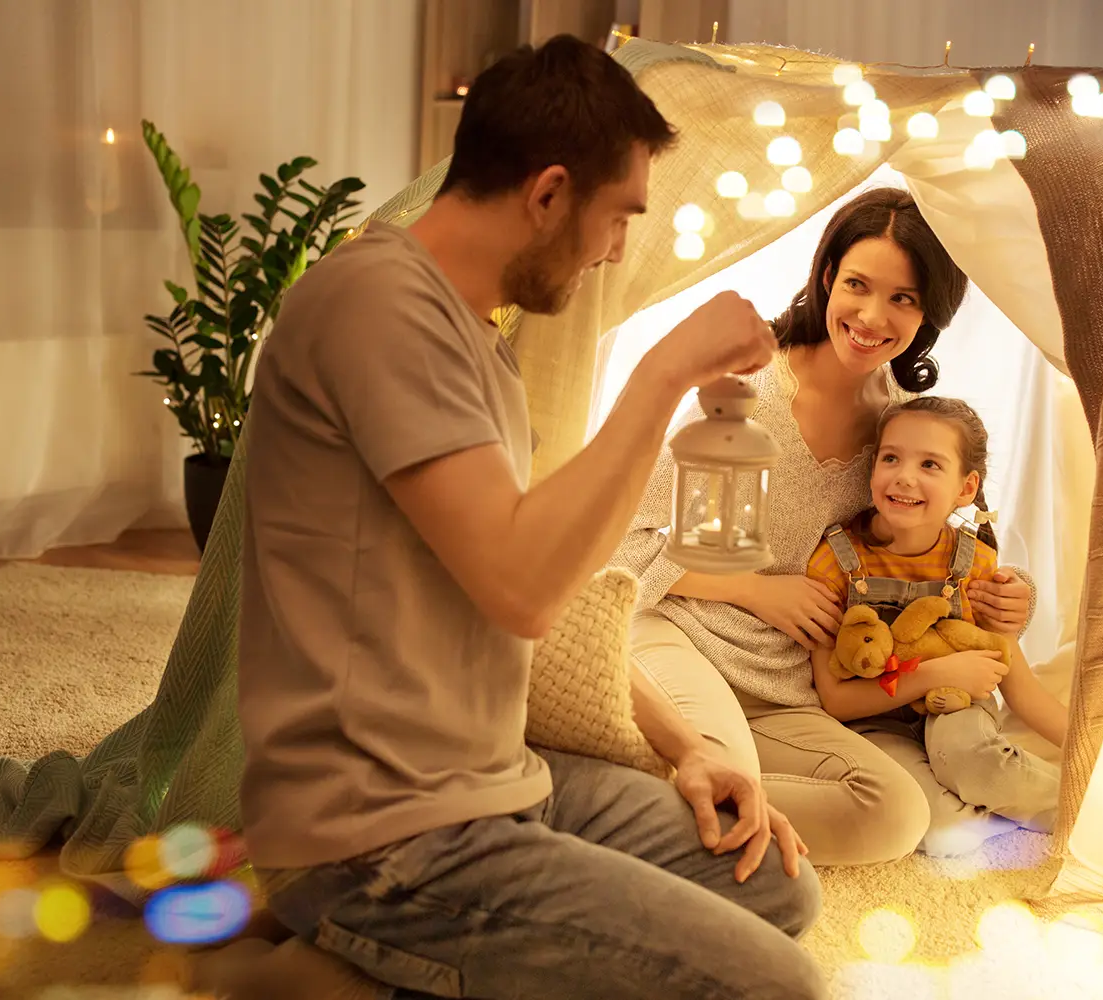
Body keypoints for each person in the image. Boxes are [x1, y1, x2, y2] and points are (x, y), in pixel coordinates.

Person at [222, 35, 828, 1000]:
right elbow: (521, 591)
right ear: (547, 194)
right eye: (619, 217)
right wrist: (662, 373)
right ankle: (328, 961)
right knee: (776, 986)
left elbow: (551, 587)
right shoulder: (378, 306)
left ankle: (366, 974)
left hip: (497, 778)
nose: (619, 250)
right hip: (381, 831)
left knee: (776, 888)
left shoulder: (479, 343)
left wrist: (691, 747)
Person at [611, 186, 1037, 867]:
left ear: (931, 312)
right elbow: (620, 546)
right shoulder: (746, 395)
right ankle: (668, 803)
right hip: (681, 638)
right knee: (730, 778)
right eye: (858, 285)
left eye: (903, 298)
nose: (872, 316)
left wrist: (1011, 598)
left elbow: (930, 547)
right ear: (827, 277)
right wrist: (754, 589)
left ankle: (657, 803)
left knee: (898, 814)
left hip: (784, 684)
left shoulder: (899, 424)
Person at [806, 397, 1067, 857]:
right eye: (891, 458)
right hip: (874, 721)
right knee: (940, 828)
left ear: (966, 488)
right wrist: (935, 674)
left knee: (974, 764)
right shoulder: (835, 559)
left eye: (930, 463)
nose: (905, 476)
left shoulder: (976, 563)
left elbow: (1020, 687)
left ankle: (1084, 809)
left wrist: (1097, 758)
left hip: (958, 708)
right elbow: (836, 699)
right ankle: (1000, 811)